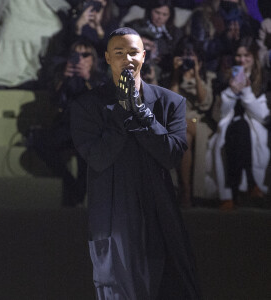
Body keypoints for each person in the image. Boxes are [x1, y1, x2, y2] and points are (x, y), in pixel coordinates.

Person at [70, 27, 201, 299]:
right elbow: (98, 157)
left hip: (158, 207)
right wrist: (123, 110)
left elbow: (171, 156)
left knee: (168, 281)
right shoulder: (87, 106)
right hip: (112, 208)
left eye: (132, 52)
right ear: (107, 57)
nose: (127, 59)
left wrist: (144, 114)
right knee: (116, 284)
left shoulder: (170, 102)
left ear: (144, 56)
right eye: (119, 53)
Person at [28, 39, 106, 206]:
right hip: (66, 128)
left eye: (85, 55)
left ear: (92, 58)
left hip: (90, 132)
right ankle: (71, 184)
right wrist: (63, 79)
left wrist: (87, 79)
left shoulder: (101, 78)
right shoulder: (63, 75)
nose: (80, 59)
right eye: (75, 55)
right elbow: (55, 102)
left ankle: (76, 197)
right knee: (37, 140)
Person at [206, 37, 270, 211]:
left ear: (254, 56)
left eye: (246, 55)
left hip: (255, 125)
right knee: (236, 130)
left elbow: (262, 115)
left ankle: (231, 194)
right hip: (229, 124)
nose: (242, 60)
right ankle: (251, 183)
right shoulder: (224, 77)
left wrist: (247, 91)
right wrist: (232, 92)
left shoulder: (263, 78)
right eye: (239, 56)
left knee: (242, 130)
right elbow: (221, 115)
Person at [169, 36, 216, 207]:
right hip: (181, 123)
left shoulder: (208, 76)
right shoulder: (174, 76)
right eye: (184, 55)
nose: (187, 59)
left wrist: (196, 74)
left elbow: (204, 102)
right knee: (184, 137)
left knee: (180, 127)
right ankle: (186, 191)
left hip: (201, 121)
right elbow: (172, 104)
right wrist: (176, 74)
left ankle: (185, 191)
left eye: (191, 55)